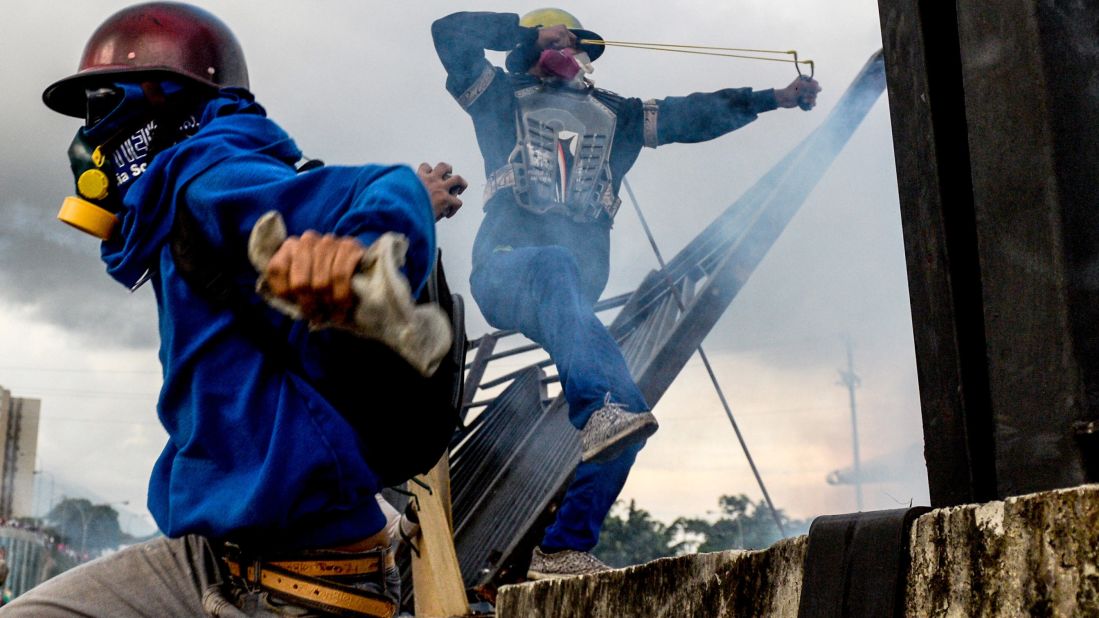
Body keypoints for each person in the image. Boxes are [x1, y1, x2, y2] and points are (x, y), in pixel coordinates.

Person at [10, 3, 465, 616]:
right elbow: (343, 196)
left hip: (301, 577)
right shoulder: (187, 198)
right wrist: (407, 202)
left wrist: (361, 253)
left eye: (99, 106)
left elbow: (373, 190)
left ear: (166, 99)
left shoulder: (208, 172)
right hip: (217, 552)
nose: (88, 139)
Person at [431, 9, 821, 579]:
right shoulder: (498, 96)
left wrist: (773, 97)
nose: (566, 53)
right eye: (553, 43)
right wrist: (520, 33)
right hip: (506, 271)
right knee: (561, 278)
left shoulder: (620, 115)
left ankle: (562, 547)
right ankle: (597, 412)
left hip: (570, 299)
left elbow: (695, 114)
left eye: (572, 44)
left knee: (631, 414)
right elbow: (447, 33)